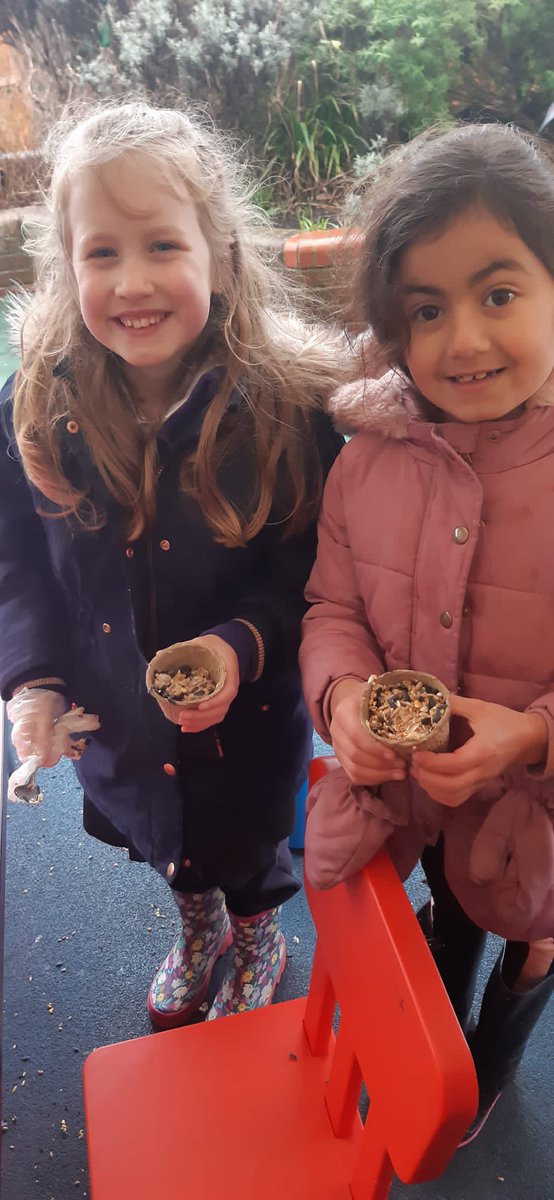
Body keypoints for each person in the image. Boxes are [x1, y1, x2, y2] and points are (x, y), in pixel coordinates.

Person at [0, 99, 344, 1028]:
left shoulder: (286, 413)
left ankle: (260, 935)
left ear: (220, 256)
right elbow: (18, 562)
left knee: (244, 845)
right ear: (65, 267)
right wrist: (30, 678)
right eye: (101, 252)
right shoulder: (37, 405)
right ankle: (199, 930)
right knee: (160, 841)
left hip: (248, 715)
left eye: (162, 246)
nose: (132, 280)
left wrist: (239, 647)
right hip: (117, 712)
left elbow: (313, 577)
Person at [299, 122, 554, 1142]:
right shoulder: (364, 462)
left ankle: (501, 1036)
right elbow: (332, 609)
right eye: (424, 309)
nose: (462, 340)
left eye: (498, 293)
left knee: (532, 928)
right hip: (419, 795)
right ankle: (443, 1022)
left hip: (535, 806)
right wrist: (341, 696)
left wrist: (531, 733)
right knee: (450, 907)